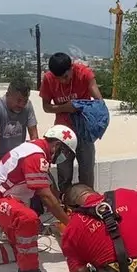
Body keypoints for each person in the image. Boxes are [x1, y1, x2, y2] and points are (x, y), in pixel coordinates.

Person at [0, 125, 77, 272]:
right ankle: (28, 270)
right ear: (57, 145)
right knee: (28, 219)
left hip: (3, 200)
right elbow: (46, 196)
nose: (62, 158)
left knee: (19, 249)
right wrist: (71, 226)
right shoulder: (35, 155)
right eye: (64, 153)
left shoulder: (36, 150)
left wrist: (62, 206)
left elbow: (50, 188)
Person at [40, 52, 103, 190]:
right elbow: (46, 107)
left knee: (87, 171)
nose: (63, 81)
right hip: (63, 133)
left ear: (71, 68)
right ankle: (65, 203)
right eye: (59, 79)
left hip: (84, 130)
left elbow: (99, 101)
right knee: (64, 173)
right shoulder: (48, 79)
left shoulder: (84, 74)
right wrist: (65, 108)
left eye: (66, 77)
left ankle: (88, 203)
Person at [0, 77, 39, 179]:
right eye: (18, 100)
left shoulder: (28, 106)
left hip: (15, 157)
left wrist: (36, 159)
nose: (21, 105)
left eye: (24, 101)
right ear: (8, 95)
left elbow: (34, 134)